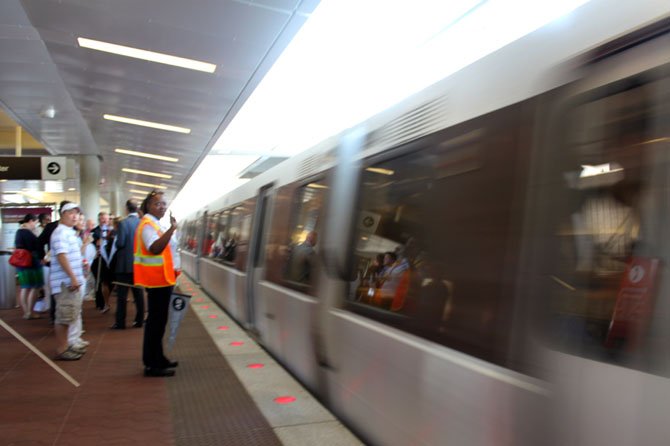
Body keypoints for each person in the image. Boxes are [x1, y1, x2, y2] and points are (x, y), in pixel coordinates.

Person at [134, 190, 180, 377]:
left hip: (163, 280)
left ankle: (159, 357)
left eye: (163, 203)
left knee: (160, 322)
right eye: (157, 204)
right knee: (155, 322)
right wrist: (172, 229)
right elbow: (155, 248)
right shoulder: (147, 225)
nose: (162, 206)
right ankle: (152, 364)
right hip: (156, 281)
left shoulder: (154, 224)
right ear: (148, 206)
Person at [50, 202, 86, 360]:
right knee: (63, 317)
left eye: (76, 213)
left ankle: (67, 346)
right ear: (62, 214)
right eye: (70, 212)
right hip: (65, 284)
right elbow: (61, 255)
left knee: (69, 315)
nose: (74, 216)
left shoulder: (69, 232)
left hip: (70, 283)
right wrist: (72, 277)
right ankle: (62, 349)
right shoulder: (60, 233)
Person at [111, 199, 145, 330]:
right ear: (136, 209)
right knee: (138, 294)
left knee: (122, 296)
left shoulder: (123, 223)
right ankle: (139, 321)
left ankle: (120, 323)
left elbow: (120, 243)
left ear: (126, 209)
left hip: (124, 266)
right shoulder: (142, 223)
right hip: (139, 265)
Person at [14, 214, 45, 319]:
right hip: (32, 262)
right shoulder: (28, 233)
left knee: (24, 287)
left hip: (21, 263)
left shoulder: (18, 232)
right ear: (31, 221)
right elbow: (37, 246)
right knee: (35, 287)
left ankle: (26, 312)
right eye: (35, 223)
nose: (35, 225)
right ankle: (30, 312)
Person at [92, 212, 112, 312]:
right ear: (99, 220)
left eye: (106, 219)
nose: (104, 221)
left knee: (109, 282)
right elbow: (93, 243)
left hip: (110, 259)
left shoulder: (111, 231)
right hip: (99, 259)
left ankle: (106, 300)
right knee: (100, 281)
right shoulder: (95, 231)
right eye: (102, 219)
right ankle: (100, 302)